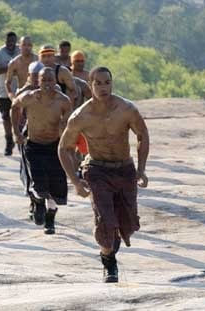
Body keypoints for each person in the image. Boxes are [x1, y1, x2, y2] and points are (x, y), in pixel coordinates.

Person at [58, 67, 150, 283]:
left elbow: (142, 135)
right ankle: (109, 263)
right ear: (90, 86)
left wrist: (141, 168)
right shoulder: (81, 115)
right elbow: (64, 148)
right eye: (97, 83)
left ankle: (111, 240)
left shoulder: (126, 109)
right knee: (105, 220)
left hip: (124, 169)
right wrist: (76, 182)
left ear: (112, 83)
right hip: (97, 170)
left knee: (127, 222)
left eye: (106, 82)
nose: (103, 87)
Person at [11, 67, 71, 234]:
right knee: (39, 185)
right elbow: (14, 107)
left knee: (56, 189)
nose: (47, 84)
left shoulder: (63, 100)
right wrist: (16, 132)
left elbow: (69, 120)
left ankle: (50, 219)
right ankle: (38, 203)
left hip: (55, 147)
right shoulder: (29, 98)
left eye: (50, 80)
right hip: (34, 146)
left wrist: (64, 126)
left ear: (55, 82)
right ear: (38, 81)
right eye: (43, 80)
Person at [13, 61, 44, 220]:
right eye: (33, 76)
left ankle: (43, 202)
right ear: (29, 76)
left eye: (39, 76)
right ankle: (34, 201)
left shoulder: (51, 91)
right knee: (28, 170)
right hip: (28, 137)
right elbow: (15, 112)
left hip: (47, 136)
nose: (37, 80)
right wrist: (17, 133)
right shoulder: (23, 93)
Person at [0, 32, 20, 156]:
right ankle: (9, 141)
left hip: (20, 89)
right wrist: (8, 69)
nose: (11, 44)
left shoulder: (20, 51)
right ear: (5, 41)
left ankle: (20, 139)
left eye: (13, 41)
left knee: (20, 117)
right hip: (4, 90)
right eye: (8, 41)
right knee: (6, 117)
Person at [5, 36, 38, 100]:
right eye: (24, 45)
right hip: (22, 94)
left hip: (37, 95)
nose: (26, 47)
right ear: (19, 46)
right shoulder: (14, 63)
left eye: (29, 45)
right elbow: (7, 82)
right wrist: (12, 96)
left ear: (32, 46)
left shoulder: (38, 60)